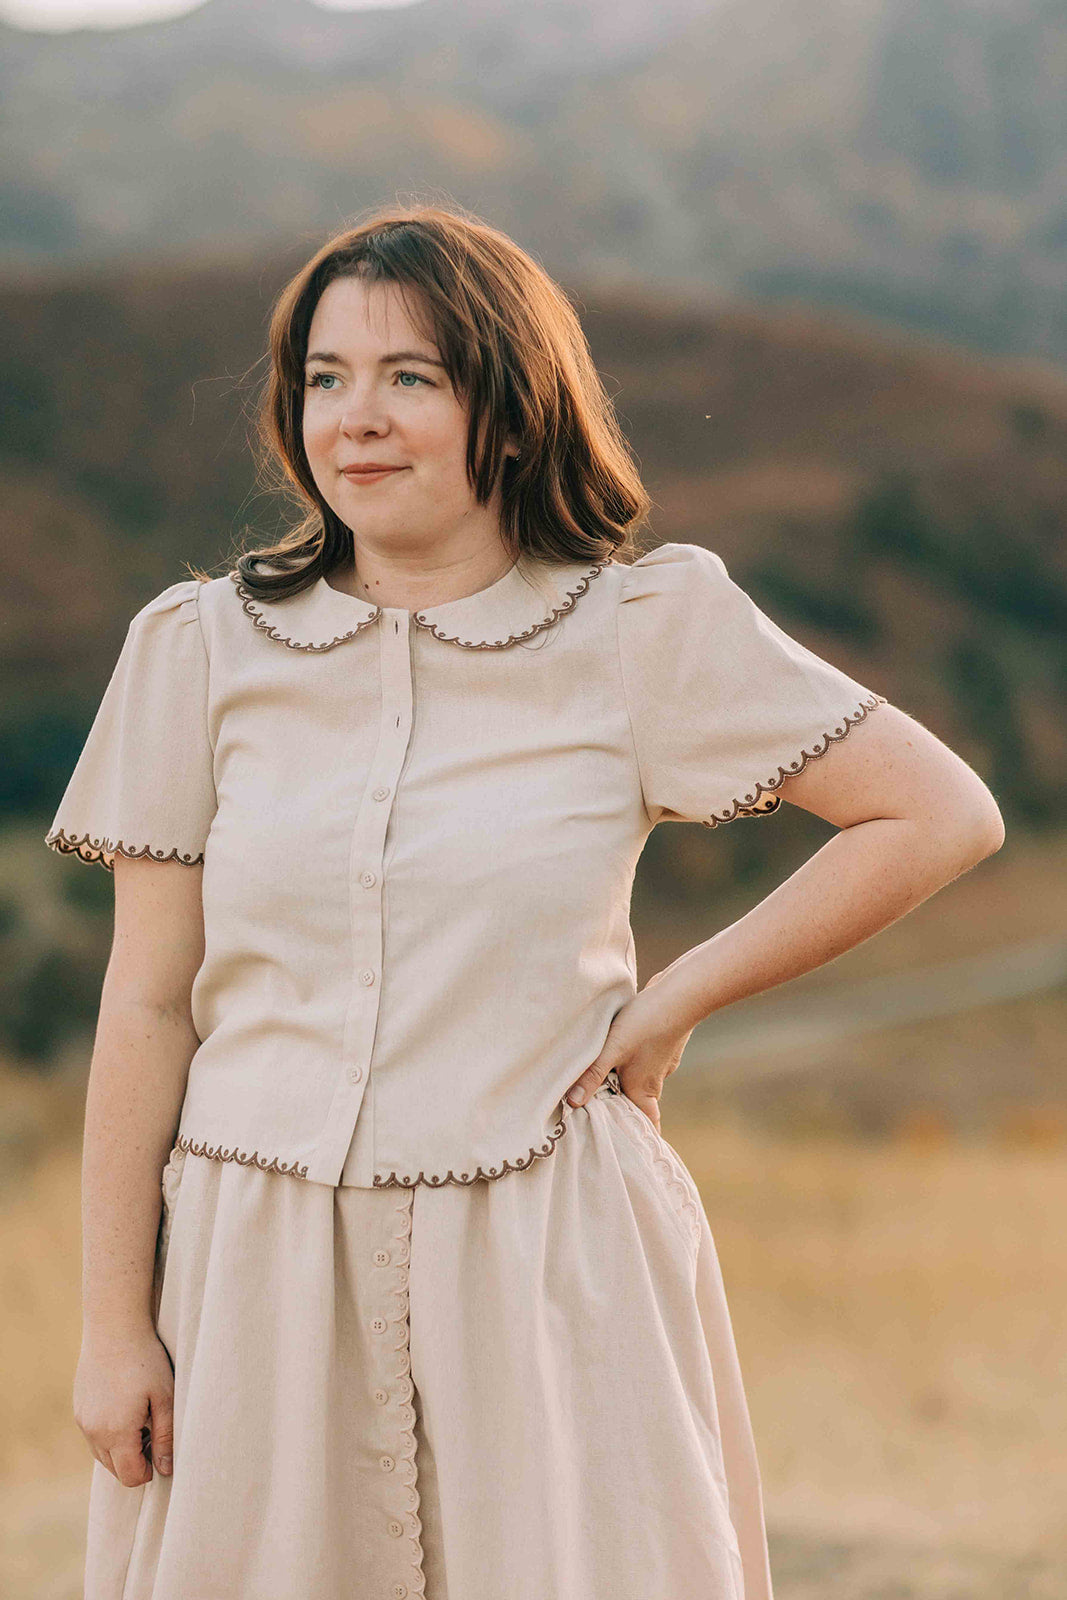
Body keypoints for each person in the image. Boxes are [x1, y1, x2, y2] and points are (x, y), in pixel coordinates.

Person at [44, 203, 1005, 1600]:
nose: (355, 419)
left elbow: (938, 813)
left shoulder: (634, 633)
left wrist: (670, 1003)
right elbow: (142, 1003)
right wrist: (113, 1328)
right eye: (326, 379)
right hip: (254, 1280)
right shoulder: (196, 650)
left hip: (546, 1260)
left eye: (411, 377)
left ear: (506, 408)